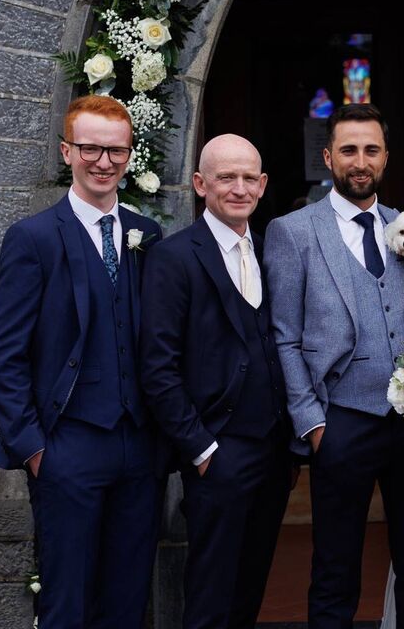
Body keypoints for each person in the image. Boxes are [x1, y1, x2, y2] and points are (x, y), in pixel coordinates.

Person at [266, 104, 404, 629]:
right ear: (328, 157)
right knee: (335, 567)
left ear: (385, 157)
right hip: (342, 419)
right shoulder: (293, 231)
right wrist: (312, 423)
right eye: (349, 150)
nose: (360, 161)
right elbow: (284, 336)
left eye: (371, 150)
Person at [0, 95, 163, 629]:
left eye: (116, 151)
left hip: (140, 449)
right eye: (90, 149)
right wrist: (35, 449)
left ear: (129, 155)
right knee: (66, 604)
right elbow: (5, 354)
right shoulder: (33, 238)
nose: (103, 162)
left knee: (128, 602)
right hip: (67, 447)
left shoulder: (148, 235)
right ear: (67, 152)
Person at [138, 135, 292, 629]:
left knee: (250, 589)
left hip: (274, 453)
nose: (239, 188)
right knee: (210, 596)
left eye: (249, 178)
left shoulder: (271, 252)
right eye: (226, 177)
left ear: (263, 185)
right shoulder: (173, 257)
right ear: (201, 184)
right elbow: (157, 367)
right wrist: (201, 450)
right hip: (217, 451)